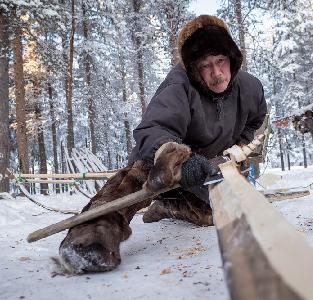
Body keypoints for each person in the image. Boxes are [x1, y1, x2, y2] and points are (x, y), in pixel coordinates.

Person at [58, 15, 267, 273]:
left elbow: (256, 119)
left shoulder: (251, 88)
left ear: (232, 58)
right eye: (206, 65)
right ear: (193, 67)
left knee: (214, 214)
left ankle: (169, 205)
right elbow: (154, 128)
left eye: (221, 61)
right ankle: (88, 237)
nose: (216, 73)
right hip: (167, 159)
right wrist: (178, 159)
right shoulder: (179, 84)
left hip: (209, 169)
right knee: (138, 177)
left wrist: (237, 147)